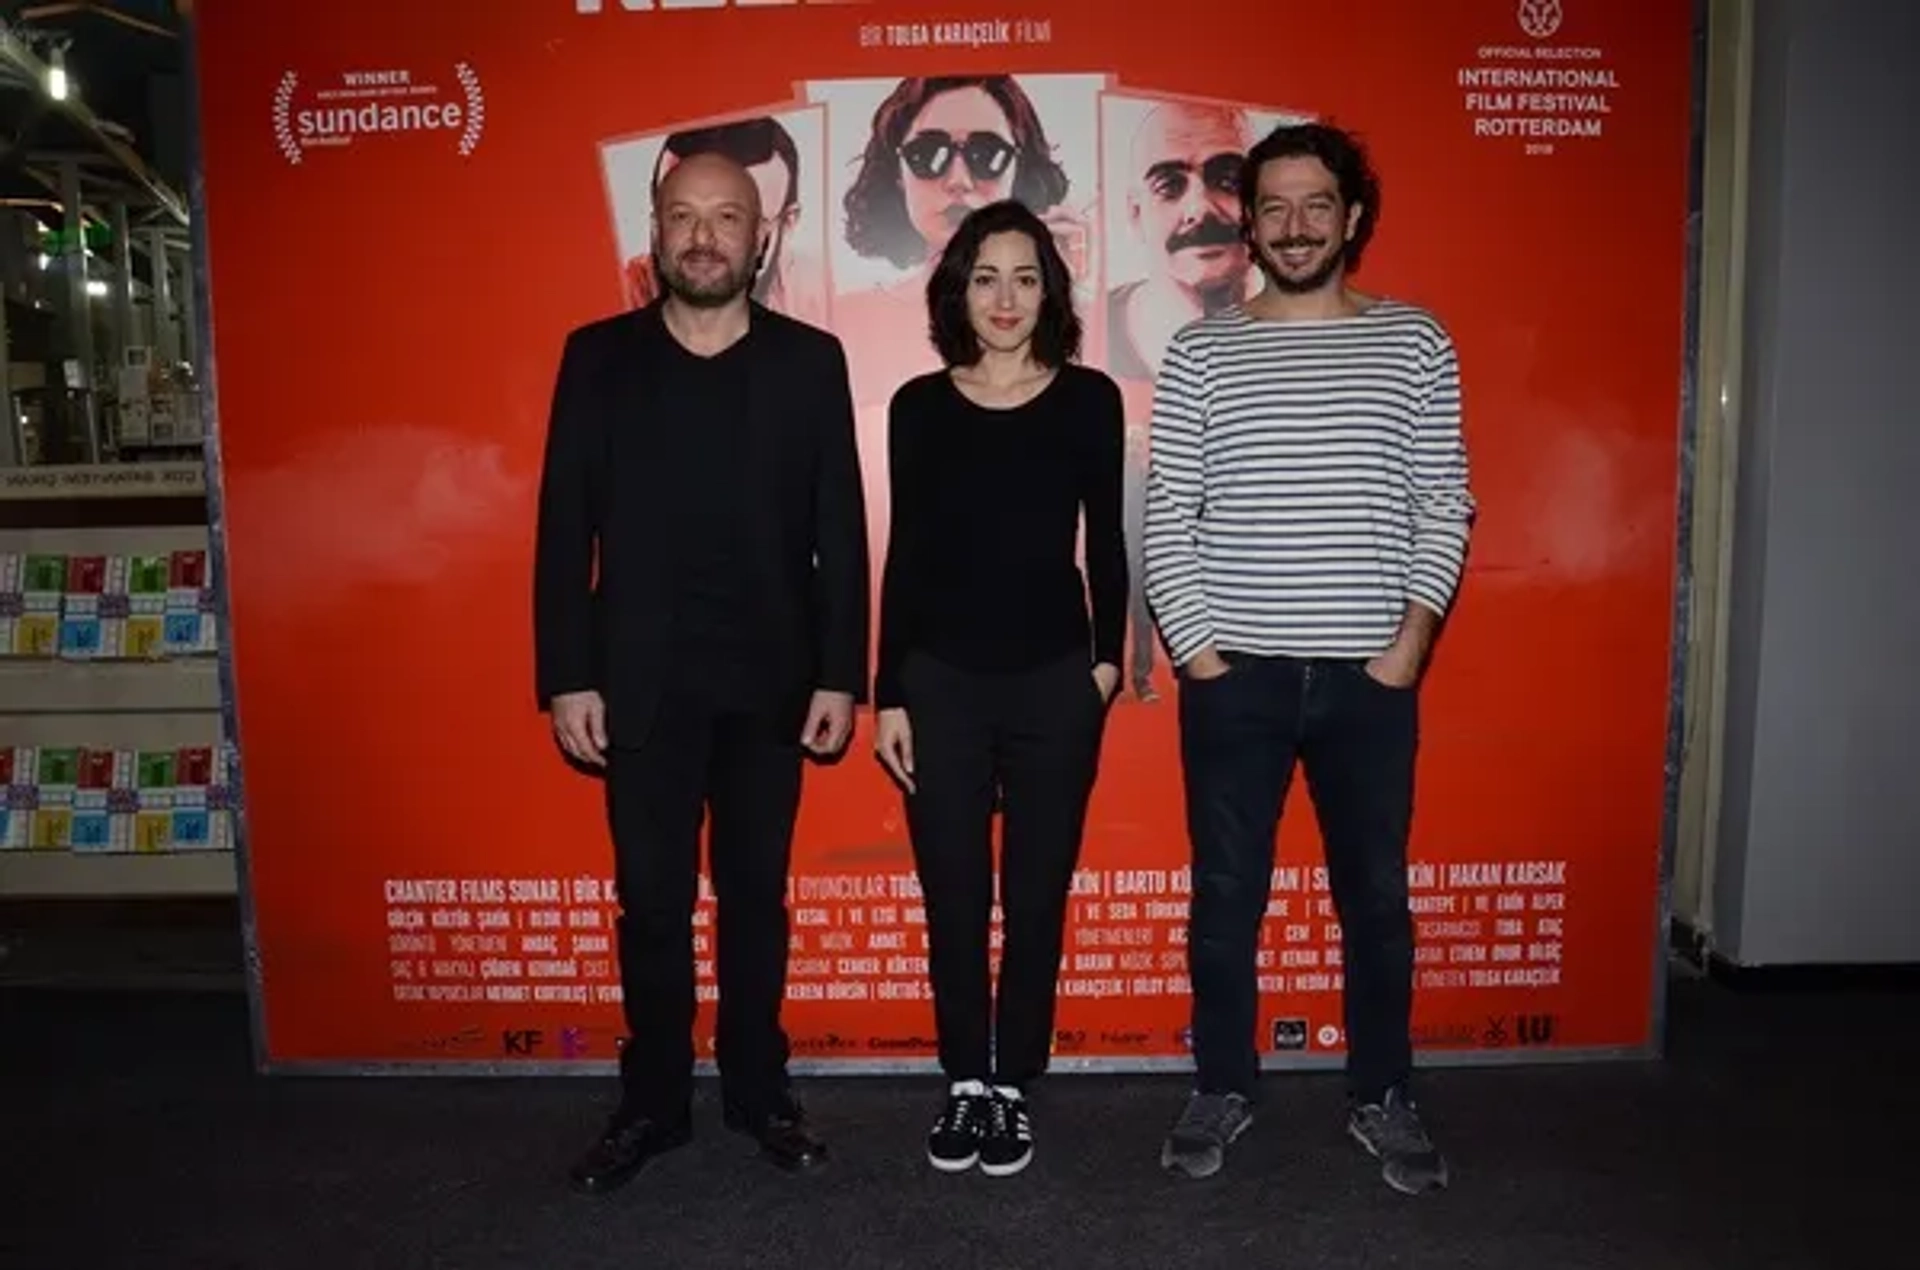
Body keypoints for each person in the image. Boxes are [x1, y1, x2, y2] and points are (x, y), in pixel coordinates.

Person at [1142, 121, 1475, 1195]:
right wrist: (1197, 654)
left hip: (1367, 682)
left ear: (1354, 217)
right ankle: (1223, 1083)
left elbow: (1443, 501)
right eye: (1274, 206)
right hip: (1234, 677)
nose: (1293, 225)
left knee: (1374, 895)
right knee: (1226, 893)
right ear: (1250, 222)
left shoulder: (1416, 342)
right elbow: (1168, 517)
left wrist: (1408, 644)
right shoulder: (1203, 349)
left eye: (1315, 204)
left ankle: (1383, 1092)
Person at [533, 151, 870, 1195]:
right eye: (685, 215)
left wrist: (839, 674)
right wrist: (566, 676)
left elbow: (842, 533)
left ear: (762, 237)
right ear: (655, 227)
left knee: (755, 899)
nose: (705, 235)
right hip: (639, 684)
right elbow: (561, 531)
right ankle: (653, 1101)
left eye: (728, 217)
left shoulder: (811, 362)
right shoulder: (596, 358)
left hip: (770, 684)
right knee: (651, 903)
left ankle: (759, 1090)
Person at [870, 199, 1127, 1178]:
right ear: (958, 292)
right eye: (986, 276)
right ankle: (963, 1082)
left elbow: (1106, 542)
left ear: (1050, 290)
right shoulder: (918, 407)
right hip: (940, 686)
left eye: (1026, 276)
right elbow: (908, 558)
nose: (1007, 296)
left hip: (1056, 682)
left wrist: (1106, 667)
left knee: (1035, 891)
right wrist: (889, 690)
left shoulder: (1090, 399)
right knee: (955, 893)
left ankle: (1012, 1081)